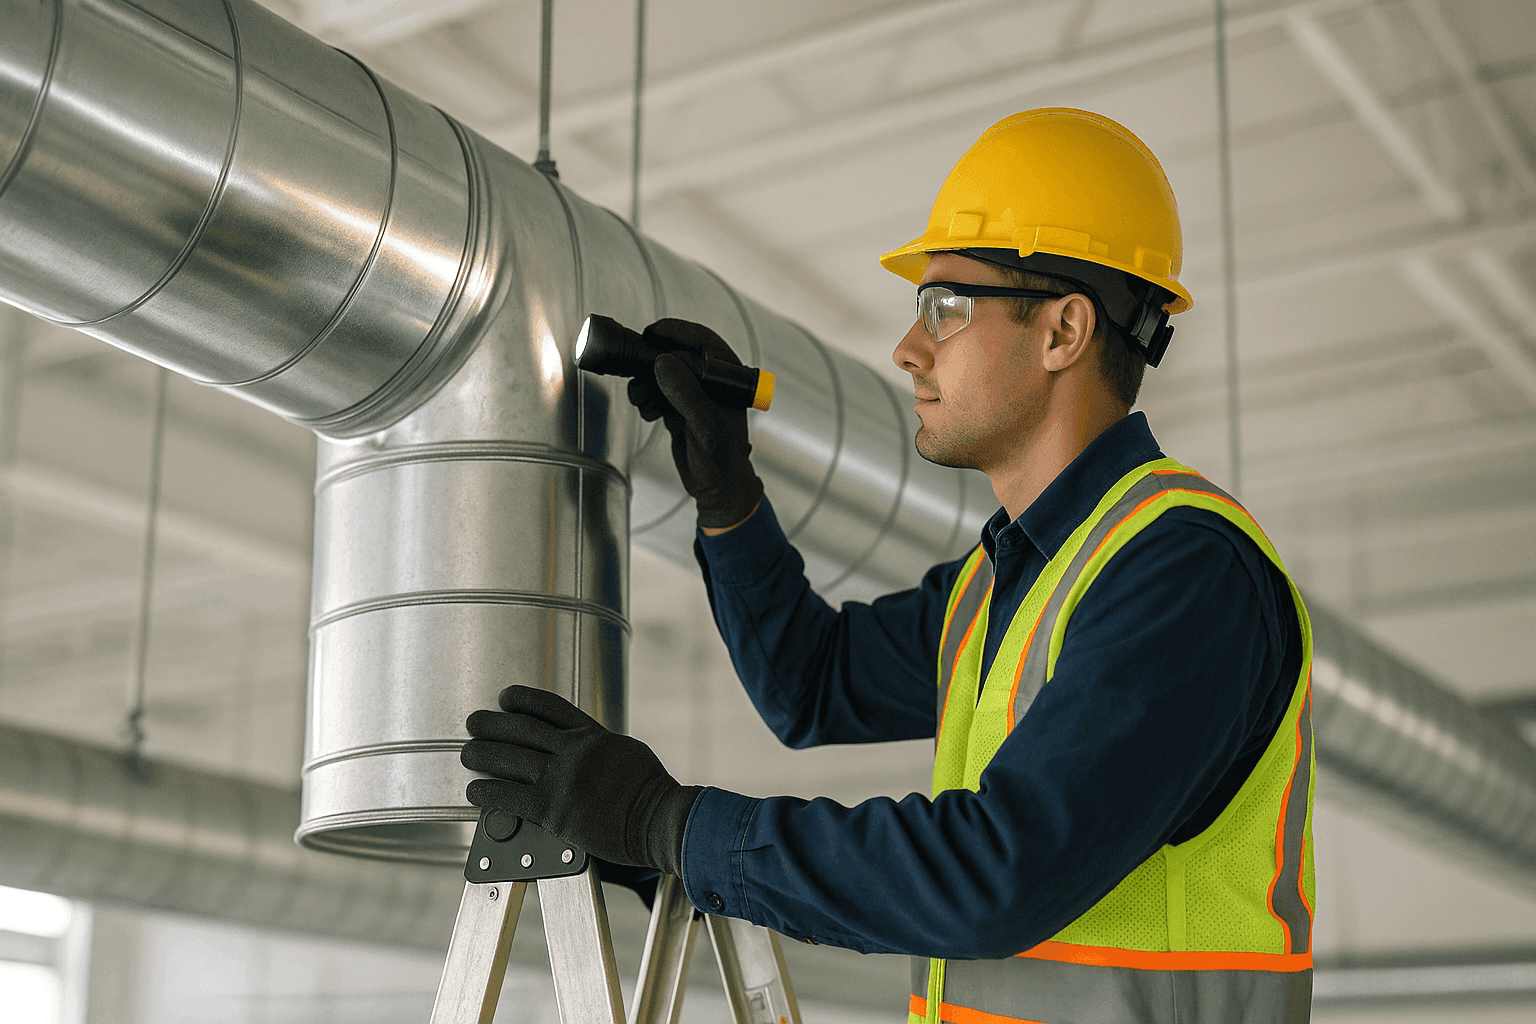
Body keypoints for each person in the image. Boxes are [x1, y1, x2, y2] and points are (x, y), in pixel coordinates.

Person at [461, 109, 1316, 1024]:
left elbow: (994, 876)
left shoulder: (1184, 576)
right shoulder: (1000, 585)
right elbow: (810, 684)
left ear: (1064, 331)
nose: (910, 349)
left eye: (947, 306)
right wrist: (726, 491)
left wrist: (669, 823)